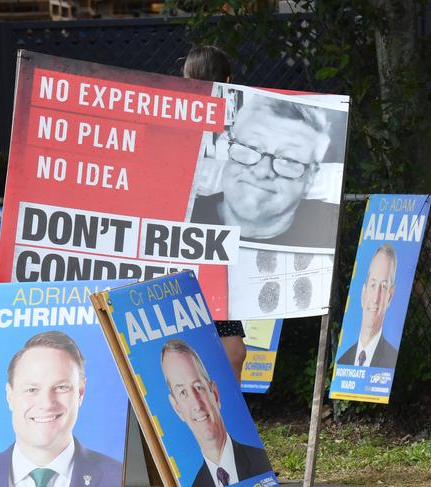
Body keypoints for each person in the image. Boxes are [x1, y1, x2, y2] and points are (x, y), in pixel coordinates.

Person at [0, 331, 122, 487]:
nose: (46, 403)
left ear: (80, 392)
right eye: (32, 389)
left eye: (61, 387)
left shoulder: (121, 479)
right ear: (10, 395)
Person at [176, 44, 247, 384]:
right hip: (178, 250)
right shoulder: (171, 122)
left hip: (217, 256)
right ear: (230, 82)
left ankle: (226, 427)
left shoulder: (241, 129)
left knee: (232, 350)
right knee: (194, 348)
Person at [189, 94, 339, 249]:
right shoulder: (181, 216)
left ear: (311, 177)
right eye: (251, 147)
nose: (261, 171)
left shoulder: (333, 228)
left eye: (288, 159)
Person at [160, 339, 273, 486]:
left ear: (215, 394)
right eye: (183, 392)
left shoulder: (260, 464)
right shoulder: (195, 484)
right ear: (177, 409)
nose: (196, 404)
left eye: (198, 387)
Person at [338, 244, 398, 368]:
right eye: (373, 285)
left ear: (390, 297)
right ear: (363, 293)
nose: (376, 298)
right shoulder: (342, 362)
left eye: (384, 286)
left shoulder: (391, 361)